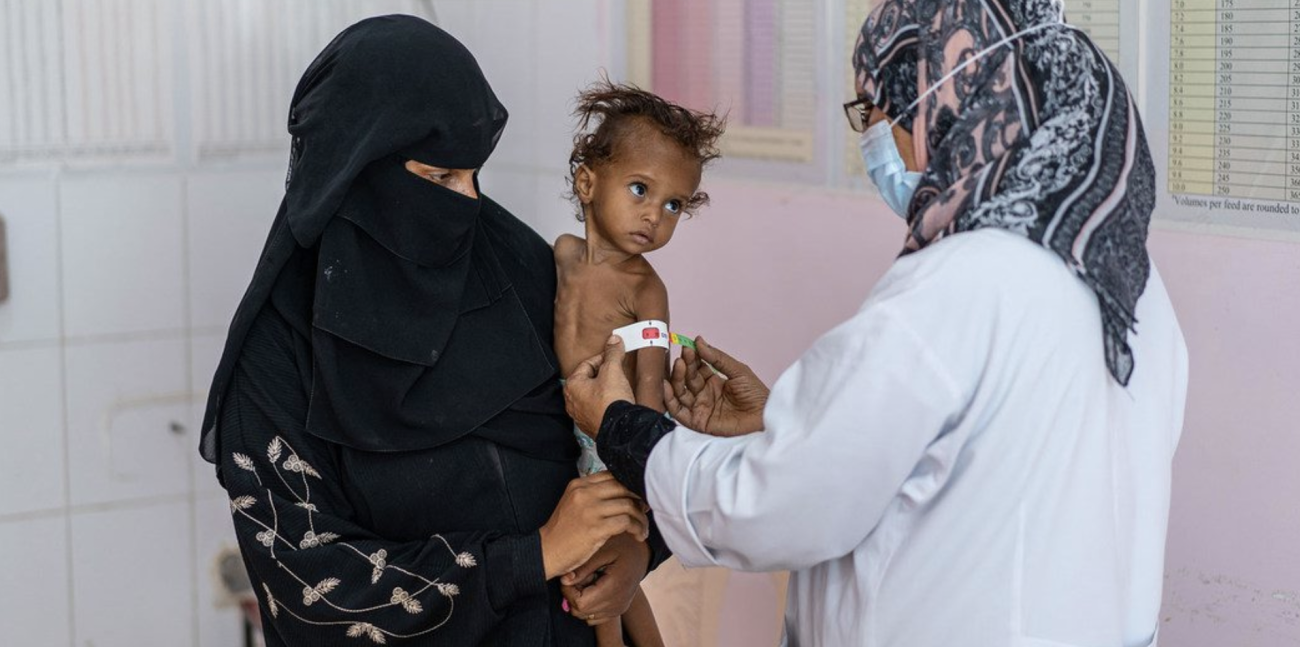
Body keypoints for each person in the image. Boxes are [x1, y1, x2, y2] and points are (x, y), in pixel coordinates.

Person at [564, 1, 1188, 645]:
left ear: (950, 104)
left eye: (879, 112)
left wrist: (623, 427)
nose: (875, 141)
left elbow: (781, 507)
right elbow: (962, 461)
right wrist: (772, 425)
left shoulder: (962, 284)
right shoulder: (1131, 287)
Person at [198, 16, 668, 646]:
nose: (467, 204)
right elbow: (310, 591)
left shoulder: (519, 267)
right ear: (355, 169)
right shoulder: (281, 351)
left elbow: (620, 432)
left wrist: (635, 552)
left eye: (474, 175)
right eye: (439, 178)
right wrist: (530, 556)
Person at [553, 81, 725, 647]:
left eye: (673, 204)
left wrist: (633, 469)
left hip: (613, 442)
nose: (655, 215)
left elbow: (649, 392)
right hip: (567, 436)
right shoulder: (561, 255)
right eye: (640, 189)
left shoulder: (646, 290)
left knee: (599, 576)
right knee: (614, 583)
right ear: (587, 182)